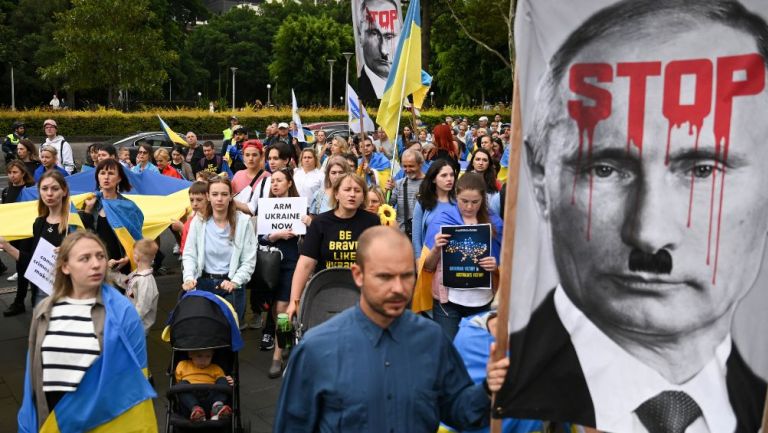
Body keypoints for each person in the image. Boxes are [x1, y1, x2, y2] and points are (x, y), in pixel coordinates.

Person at [495, 2, 768, 432]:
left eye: (702, 171)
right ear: (539, 176)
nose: (649, 234)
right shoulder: (515, 385)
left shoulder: (757, 395)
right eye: (604, 170)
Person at [274, 226, 510, 432]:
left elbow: (460, 412)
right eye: (385, 277)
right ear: (358, 275)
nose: (398, 288)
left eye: (406, 276)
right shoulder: (315, 350)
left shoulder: (432, 340)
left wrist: (488, 389)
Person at [17, 231, 155, 431]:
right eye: (85, 258)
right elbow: (34, 372)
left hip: (103, 420)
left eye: (100, 256)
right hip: (52, 415)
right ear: (65, 266)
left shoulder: (123, 312)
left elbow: (136, 377)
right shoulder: (44, 310)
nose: (97, 264)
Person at [286, 173, 380, 319]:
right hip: (325, 291)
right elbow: (305, 264)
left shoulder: (372, 222)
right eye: (347, 189)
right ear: (336, 194)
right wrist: (294, 300)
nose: (352, 194)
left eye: (357, 190)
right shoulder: (320, 223)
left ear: (363, 196)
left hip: (360, 293)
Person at [422, 173, 502, 340]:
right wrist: (437, 248)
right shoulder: (443, 219)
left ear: (484, 199)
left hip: (483, 301)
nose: (469, 207)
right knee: (449, 354)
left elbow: (506, 263)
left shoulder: (494, 222)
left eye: (475, 202)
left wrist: (496, 267)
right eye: (464, 201)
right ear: (455, 195)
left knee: (476, 352)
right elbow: (428, 266)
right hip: (448, 302)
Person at [182, 177, 257, 323]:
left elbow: (249, 260)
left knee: (230, 335)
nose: (219, 199)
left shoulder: (243, 222)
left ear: (231, 196)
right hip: (203, 283)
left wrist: (235, 282)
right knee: (207, 332)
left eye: (224, 194)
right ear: (208, 196)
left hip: (232, 286)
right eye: (215, 194)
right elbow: (190, 254)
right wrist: (189, 278)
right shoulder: (199, 221)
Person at [258, 168, 305, 378]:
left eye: (279, 180)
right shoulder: (266, 207)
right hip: (270, 265)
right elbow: (260, 238)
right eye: (272, 181)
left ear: (289, 183)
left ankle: (277, 355)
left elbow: (309, 235)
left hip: (291, 262)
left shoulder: (299, 207)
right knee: (276, 311)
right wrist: (275, 235)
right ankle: (285, 340)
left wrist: (306, 224)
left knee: (282, 307)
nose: (275, 184)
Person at [81, 159, 142, 275]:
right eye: (102, 173)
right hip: (95, 266)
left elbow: (136, 239)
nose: (106, 177)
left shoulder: (128, 207)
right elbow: (85, 235)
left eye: (111, 173)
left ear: (119, 178)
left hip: (120, 266)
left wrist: (127, 258)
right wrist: (87, 211)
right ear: (97, 177)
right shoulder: (90, 203)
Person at [0, 161, 36, 313]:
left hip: (28, 235)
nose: (12, 175)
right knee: (22, 267)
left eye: (15, 172)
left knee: (25, 268)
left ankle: (20, 302)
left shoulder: (30, 190)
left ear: (23, 173)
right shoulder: (6, 191)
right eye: (10, 173)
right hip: (14, 235)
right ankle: (29, 300)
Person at [355, 0, 401, 100]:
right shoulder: (363, 89)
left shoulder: (404, 87)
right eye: (374, 34)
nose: (384, 51)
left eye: (389, 36)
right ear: (360, 36)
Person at [412, 160, 457, 258]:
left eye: (452, 175)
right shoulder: (422, 202)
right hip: (429, 260)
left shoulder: (460, 202)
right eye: (444, 175)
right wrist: (418, 260)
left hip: (455, 259)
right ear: (433, 179)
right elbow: (416, 237)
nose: (449, 179)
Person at [174, 349, 233, 422]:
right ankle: (196, 410)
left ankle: (218, 409)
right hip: (190, 400)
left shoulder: (216, 368)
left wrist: (228, 381)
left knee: (223, 380)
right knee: (181, 385)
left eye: (208, 356)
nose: (203, 360)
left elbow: (222, 384)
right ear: (190, 354)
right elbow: (178, 384)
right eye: (199, 356)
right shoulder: (183, 365)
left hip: (211, 399)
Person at [116, 239, 159, 335]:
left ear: (136, 257)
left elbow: (142, 307)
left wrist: (129, 323)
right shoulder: (138, 273)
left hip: (137, 328)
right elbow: (126, 282)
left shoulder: (145, 280)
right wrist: (111, 272)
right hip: (132, 324)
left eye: (133, 252)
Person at [385, 148, 425, 237]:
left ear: (420, 164)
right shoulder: (399, 184)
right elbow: (387, 207)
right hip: (402, 236)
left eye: (411, 166)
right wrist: (388, 191)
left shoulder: (429, 184)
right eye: (405, 166)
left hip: (422, 236)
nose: (407, 170)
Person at [468, 148, 501, 214]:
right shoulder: (464, 180)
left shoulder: (496, 183)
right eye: (477, 159)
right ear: (472, 163)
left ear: (489, 164)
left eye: (485, 160)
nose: (481, 163)